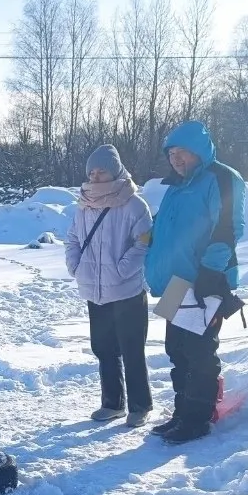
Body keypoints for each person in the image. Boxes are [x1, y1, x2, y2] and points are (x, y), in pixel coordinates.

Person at [146, 120, 245, 444]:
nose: (176, 159)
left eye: (182, 153)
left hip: (202, 281)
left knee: (199, 352)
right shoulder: (177, 186)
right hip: (176, 283)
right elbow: (164, 226)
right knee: (177, 351)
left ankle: (197, 420)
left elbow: (228, 228)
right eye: (171, 154)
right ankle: (182, 412)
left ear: (199, 151)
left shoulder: (221, 177)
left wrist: (210, 273)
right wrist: (145, 237)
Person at [64, 144, 154, 428]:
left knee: (132, 350)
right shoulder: (84, 204)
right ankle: (112, 403)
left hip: (127, 290)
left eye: (101, 171)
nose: (95, 176)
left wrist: (122, 269)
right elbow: (72, 239)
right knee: (103, 348)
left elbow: (144, 242)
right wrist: (75, 266)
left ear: (115, 171)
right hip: (95, 290)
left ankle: (140, 406)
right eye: (91, 172)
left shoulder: (134, 204)